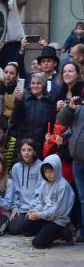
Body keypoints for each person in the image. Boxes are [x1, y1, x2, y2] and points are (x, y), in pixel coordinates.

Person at [12, 154, 75, 247]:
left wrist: (39, 215)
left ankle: (64, 232)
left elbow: (57, 211)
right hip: (45, 216)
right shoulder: (45, 183)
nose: (48, 175)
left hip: (58, 220)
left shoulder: (63, 186)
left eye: (51, 171)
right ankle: (45, 231)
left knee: (37, 243)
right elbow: (40, 201)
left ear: (57, 169)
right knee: (23, 225)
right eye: (45, 172)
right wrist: (34, 211)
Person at [57, 92, 84, 237]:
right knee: (82, 199)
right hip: (78, 161)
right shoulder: (79, 106)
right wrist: (70, 108)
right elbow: (61, 120)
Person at [8, 72, 56, 151]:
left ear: (43, 85)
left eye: (38, 83)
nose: (35, 86)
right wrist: (18, 101)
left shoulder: (50, 100)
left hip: (42, 143)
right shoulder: (23, 97)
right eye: (33, 83)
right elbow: (15, 119)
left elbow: (52, 122)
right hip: (23, 141)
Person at [8, 139, 42, 235]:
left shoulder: (41, 166)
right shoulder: (16, 168)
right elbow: (15, 190)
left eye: (29, 150)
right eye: (23, 150)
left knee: (25, 229)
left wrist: (33, 208)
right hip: (21, 208)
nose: (26, 153)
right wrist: (14, 207)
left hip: (35, 208)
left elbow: (41, 191)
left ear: (34, 151)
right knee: (13, 230)